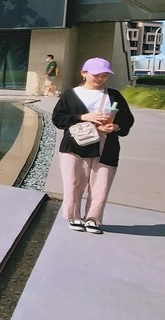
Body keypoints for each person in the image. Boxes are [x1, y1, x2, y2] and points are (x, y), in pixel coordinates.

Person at [51, 57, 134, 234]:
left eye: (105, 75)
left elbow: (127, 118)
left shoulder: (114, 95)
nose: (100, 78)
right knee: (73, 182)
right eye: (96, 74)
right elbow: (58, 119)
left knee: (101, 184)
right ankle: (74, 216)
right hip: (75, 144)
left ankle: (93, 219)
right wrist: (83, 117)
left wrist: (116, 126)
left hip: (107, 144)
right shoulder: (70, 94)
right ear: (84, 73)